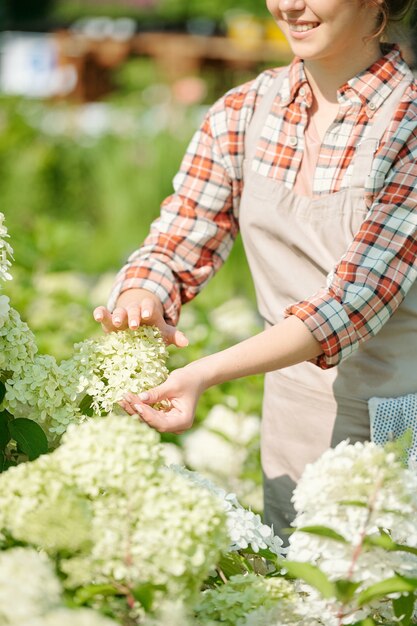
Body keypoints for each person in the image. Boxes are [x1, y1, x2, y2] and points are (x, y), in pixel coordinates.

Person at [94, 0, 417, 540]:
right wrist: (143, 295)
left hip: (396, 424)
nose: (290, 5)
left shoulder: (408, 123)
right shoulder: (243, 111)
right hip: (290, 422)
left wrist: (204, 372)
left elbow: (353, 300)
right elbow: (179, 237)